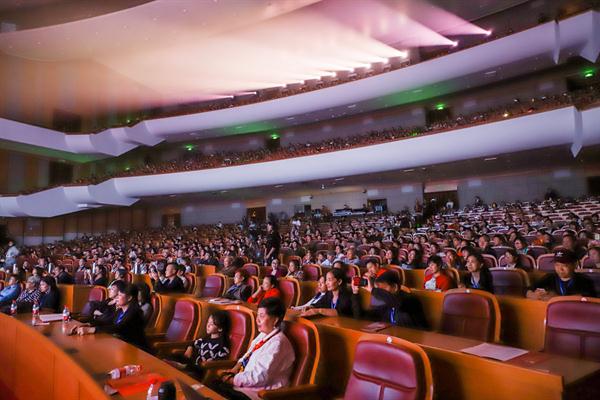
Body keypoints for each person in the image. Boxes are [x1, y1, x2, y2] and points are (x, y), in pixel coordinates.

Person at [211, 297, 294, 400]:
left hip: (258, 393)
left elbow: (259, 377)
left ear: (275, 320)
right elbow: (247, 356)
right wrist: (233, 370)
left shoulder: (278, 343)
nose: (257, 320)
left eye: (262, 316)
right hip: (244, 386)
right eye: (257, 315)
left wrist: (232, 380)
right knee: (211, 386)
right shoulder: (264, 334)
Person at [73, 282, 149, 350]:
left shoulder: (135, 313)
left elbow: (119, 328)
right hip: (120, 345)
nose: (117, 298)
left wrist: (91, 330)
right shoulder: (120, 311)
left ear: (129, 298)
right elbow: (107, 321)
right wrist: (88, 324)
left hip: (135, 349)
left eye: (120, 295)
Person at [169, 311, 231, 380]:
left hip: (203, 369)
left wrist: (210, 362)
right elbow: (194, 343)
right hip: (194, 364)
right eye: (208, 322)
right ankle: (182, 366)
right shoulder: (205, 339)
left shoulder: (222, 344)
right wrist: (190, 348)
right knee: (174, 356)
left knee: (190, 370)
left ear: (220, 328)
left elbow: (221, 359)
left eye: (211, 324)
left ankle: (183, 366)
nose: (208, 325)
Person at [527, 250, 596, 300]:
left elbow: (586, 299)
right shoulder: (549, 278)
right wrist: (533, 295)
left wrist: (555, 298)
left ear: (574, 265)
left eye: (564, 265)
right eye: (557, 265)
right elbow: (527, 290)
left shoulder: (584, 280)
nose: (560, 269)